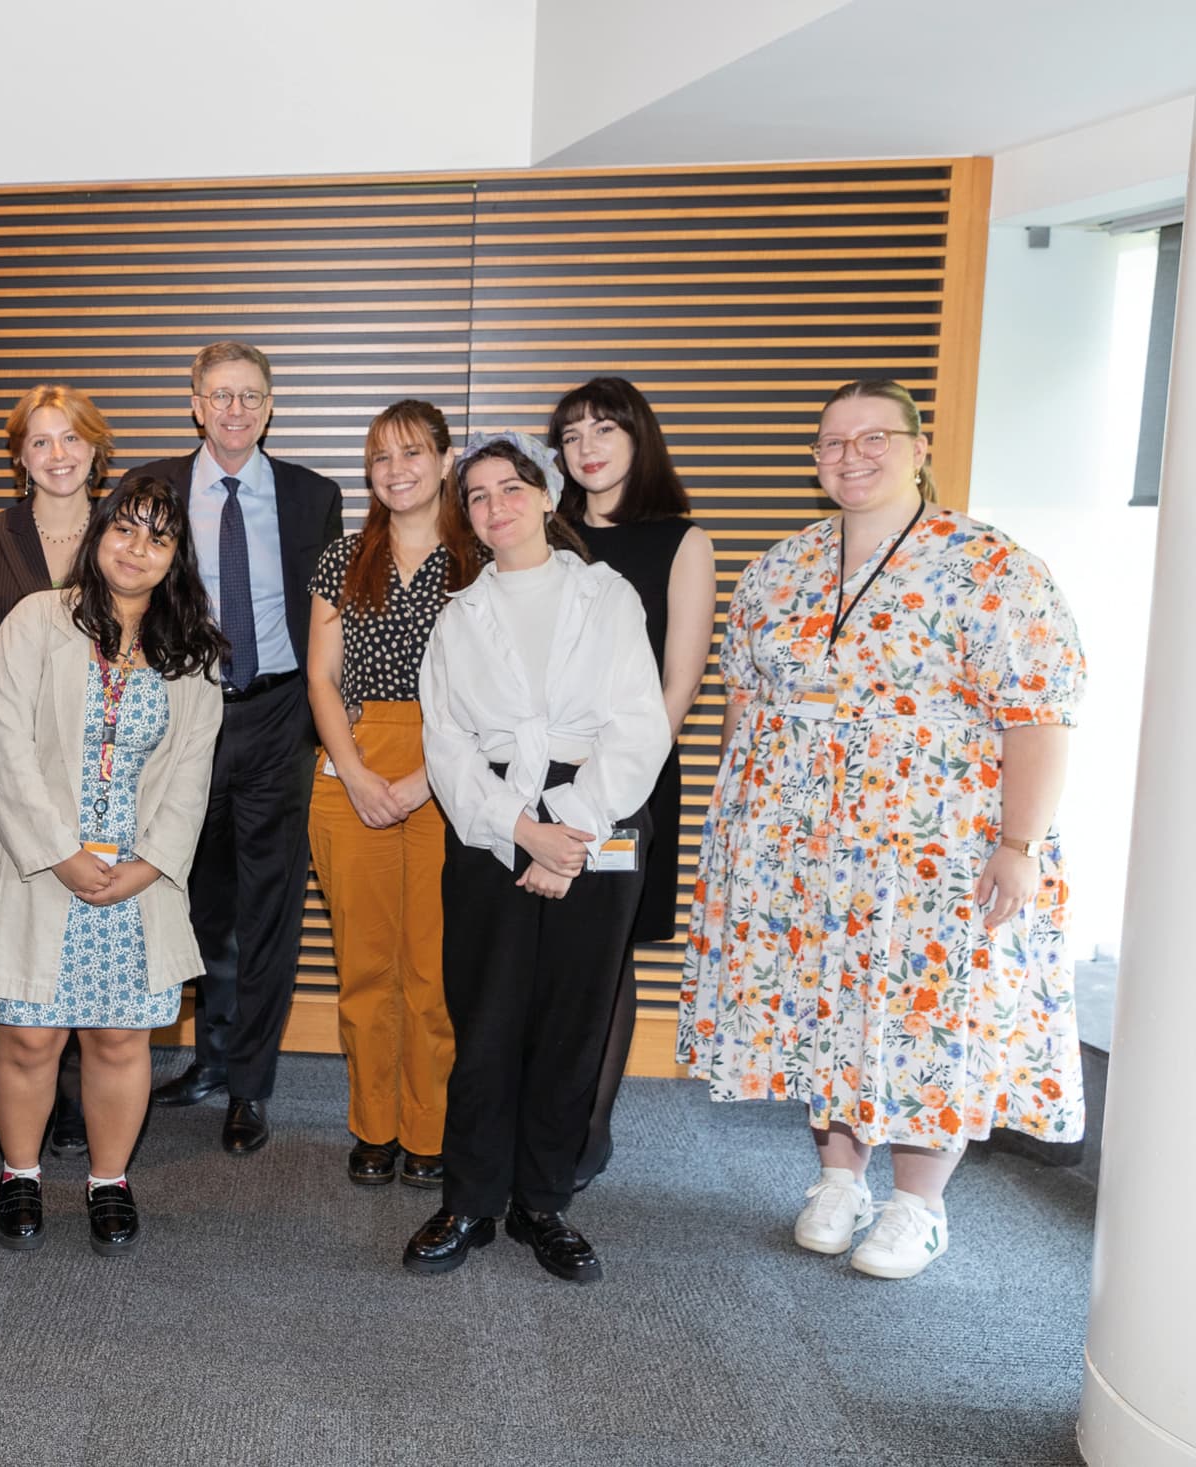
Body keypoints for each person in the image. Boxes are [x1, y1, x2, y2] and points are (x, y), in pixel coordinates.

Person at [679, 379, 1084, 1280]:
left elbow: (1039, 712)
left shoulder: (989, 565)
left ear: (917, 444)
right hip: (797, 842)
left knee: (922, 1012)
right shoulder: (782, 565)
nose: (850, 456)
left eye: (873, 438)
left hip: (930, 845)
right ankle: (837, 1178)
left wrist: (1018, 845)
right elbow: (744, 704)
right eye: (831, 442)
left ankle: (918, 1203)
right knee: (824, 1000)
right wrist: (738, 828)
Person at [405, 433, 668, 1283]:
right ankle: (470, 1197)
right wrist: (525, 829)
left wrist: (571, 829)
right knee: (485, 1016)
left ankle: (543, 1200)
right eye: (477, 495)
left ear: (545, 497)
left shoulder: (607, 594)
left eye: (510, 488)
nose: (495, 505)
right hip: (492, 822)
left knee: (573, 1020)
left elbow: (639, 724)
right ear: (469, 518)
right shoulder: (458, 615)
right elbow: (445, 748)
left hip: (602, 809)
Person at [0, 474, 225, 1255]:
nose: (137, 548)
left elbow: (191, 774)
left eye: (158, 536)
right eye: (124, 529)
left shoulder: (191, 647)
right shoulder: (37, 620)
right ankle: (19, 1173)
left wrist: (148, 864)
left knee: (119, 1038)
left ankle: (108, 1179)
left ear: (175, 556)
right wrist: (59, 853)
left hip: (134, 881)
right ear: (97, 534)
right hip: (39, 868)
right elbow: (3, 749)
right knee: (29, 1038)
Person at [125, 340, 342, 1155]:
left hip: (280, 715)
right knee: (195, 900)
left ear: (270, 405)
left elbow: (329, 619)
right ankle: (209, 1058)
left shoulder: (312, 496)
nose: (235, 411)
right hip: (185, 715)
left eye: (251, 396)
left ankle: (251, 1084)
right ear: (194, 403)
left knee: (270, 910)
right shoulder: (153, 490)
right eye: (221, 395)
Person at [549, 376, 716, 1188]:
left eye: (604, 429)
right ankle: (538, 1116)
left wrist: (615, 782)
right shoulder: (542, 532)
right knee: (541, 951)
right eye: (573, 433)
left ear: (638, 438)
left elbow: (678, 682)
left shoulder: (679, 540)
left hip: (632, 778)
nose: (587, 446)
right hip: (535, 780)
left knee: (607, 956)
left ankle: (590, 1128)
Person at [305, 401, 475, 1190]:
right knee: (366, 968)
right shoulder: (344, 555)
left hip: (457, 771)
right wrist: (361, 772)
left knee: (434, 971)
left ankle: (431, 1129)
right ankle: (374, 1126)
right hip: (354, 768)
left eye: (412, 453)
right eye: (380, 458)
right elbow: (320, 677)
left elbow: (498, 694)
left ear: (447, 459)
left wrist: (424, 780)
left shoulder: (484, 555)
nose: (396, 469)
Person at [0, 383, 116, 1157]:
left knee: (90, 928)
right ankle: (22, 1089)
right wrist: (33, 746)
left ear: (95, 449)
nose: (57, 454)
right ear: (20, 455)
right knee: (14, 933)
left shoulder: (127, 535)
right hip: (6, 770)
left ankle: (79, 1096)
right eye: (41, 441)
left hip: (105, 772)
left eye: (71, 439)